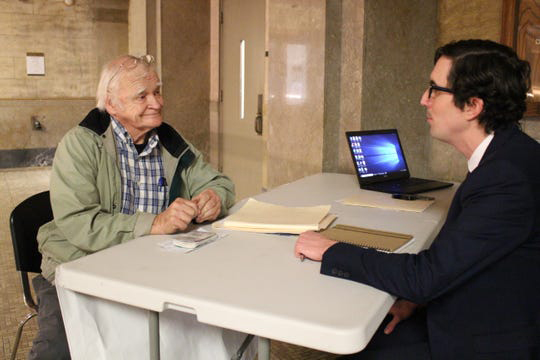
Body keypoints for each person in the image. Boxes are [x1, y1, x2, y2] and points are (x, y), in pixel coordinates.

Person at [295, 39, 540, 359]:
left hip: (484, 340)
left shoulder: (506, 178)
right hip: (468, 305)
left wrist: (332, 249)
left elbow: (425, 276)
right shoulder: (507, 154)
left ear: (472, 106)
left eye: (434, 89)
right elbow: (470, 260)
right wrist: (418, 299)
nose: (424, 99)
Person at [30, 55, 235, 359]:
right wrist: (154, 224)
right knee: (58, 350)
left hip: (149, 267)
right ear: (112, 105)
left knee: (204, 324)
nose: (156, 103)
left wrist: (214, 196)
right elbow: (78, 223)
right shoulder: (81, 145)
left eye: (157, 91)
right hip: (79, 263)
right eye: (142, 96)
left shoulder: (170, 142)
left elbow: (221, 182)